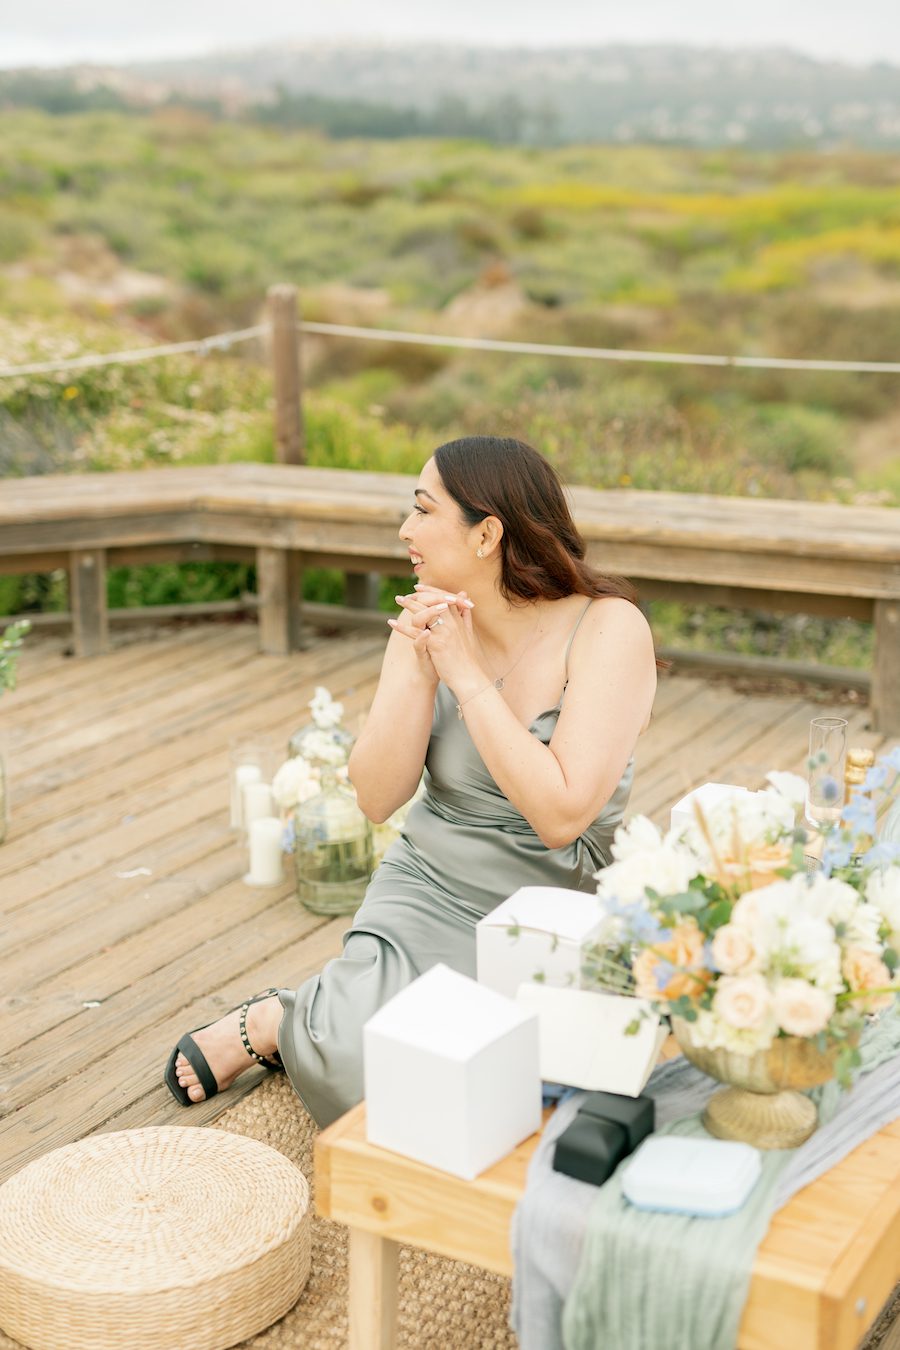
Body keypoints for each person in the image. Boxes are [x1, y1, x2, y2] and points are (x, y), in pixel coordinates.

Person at [165, 436, 658, 1125]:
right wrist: (417, 667)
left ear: (487, 533)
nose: (405, 530)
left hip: (551, 905)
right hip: (428, 884)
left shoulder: (609, 629)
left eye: (424, 511)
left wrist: (462, 672)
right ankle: (296, 1018)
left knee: (498, 1085)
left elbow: (561, 814)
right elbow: (374, 797)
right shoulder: (426, 620)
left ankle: (303, 1013)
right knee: (377, 1079)